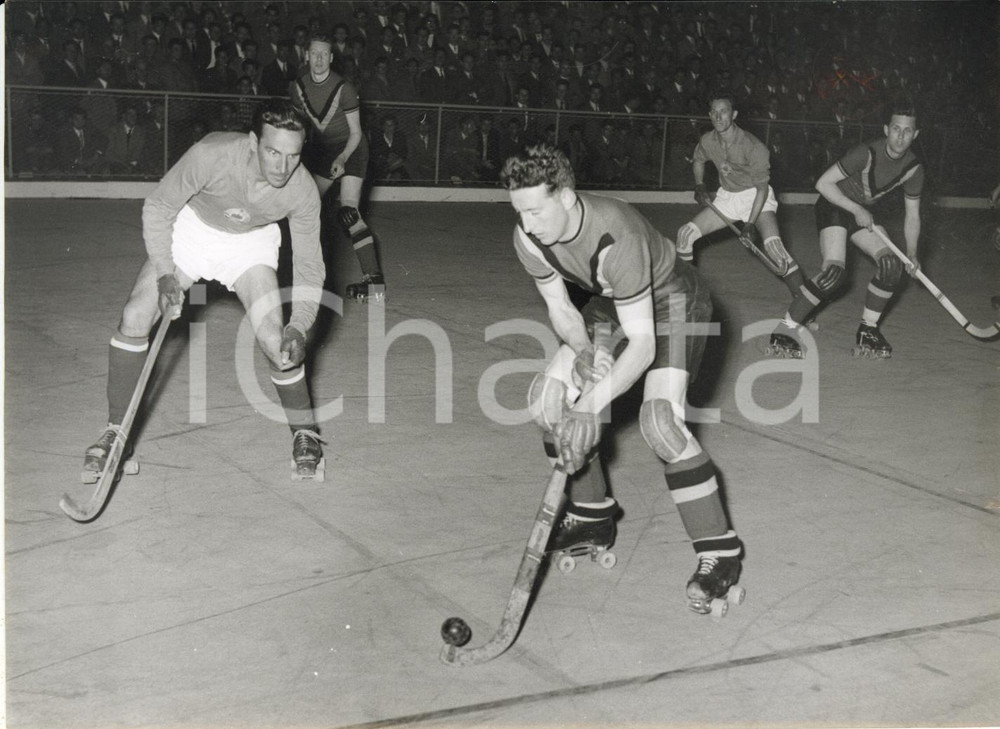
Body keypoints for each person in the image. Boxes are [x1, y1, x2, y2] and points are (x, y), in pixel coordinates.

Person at [500, 145, 745, 614]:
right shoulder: (528, 236)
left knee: (659, 423)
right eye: (519, 211)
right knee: (547, 403)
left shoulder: (618, 233)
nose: (527, 225)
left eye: (534, 211)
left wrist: (591, 406)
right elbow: (561, 310)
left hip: (675, 303)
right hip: (614, 305)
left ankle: (721, 551)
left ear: (566, 197)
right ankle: (591, 513)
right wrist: (586, 354)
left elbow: (644, 346)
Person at [79, 99, 328, 486]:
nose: (282, 167)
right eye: (272, 152)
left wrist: (300, 325)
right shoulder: (210, 155)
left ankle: (305, 432)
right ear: (252, 142)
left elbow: (310, 266)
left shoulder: (303, 191)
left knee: (277, 343)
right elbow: (159, 207)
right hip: (193, 231)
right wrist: (165, 273)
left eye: (292, 156)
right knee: (135, 316)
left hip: (250, 245)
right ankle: (117, 433)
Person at [781, 99, 925, 358]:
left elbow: (912, 216)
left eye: (907, 131)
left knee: (891, 265)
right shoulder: (866, 152)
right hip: (834, 204)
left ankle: (867, 331)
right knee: (834, 273)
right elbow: (823, 184)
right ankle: (785, 331)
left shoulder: (914, 169)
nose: (900, 136)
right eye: (895, 128)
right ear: (886, 129)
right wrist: (856, 209)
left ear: (915, 134)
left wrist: (912, 254)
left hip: (863, 212)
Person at [676, 93, 811, 357]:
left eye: (723, 112)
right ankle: (687, 302)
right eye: (713, 112)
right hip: (727, 197)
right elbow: (699, 159)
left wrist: (749, 224)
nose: (718, 118)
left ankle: (804, 304)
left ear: (734, 115)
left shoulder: (754, 146)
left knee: (776, 254)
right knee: (685, 236)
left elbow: (761, 189)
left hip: (756, 198)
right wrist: (700, 184)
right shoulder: (707, 140)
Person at [290, 34, 386, 302]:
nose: (319, 59)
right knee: (302, 207)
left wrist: (343, 158)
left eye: (325, 54)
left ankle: (374, 280)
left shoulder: (344, 88)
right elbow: (300, 129)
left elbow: (356, 133)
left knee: (348, 212)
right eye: (314, 53)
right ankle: (299, 274)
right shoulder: (297, 88)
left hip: (351, 149)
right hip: (323, 150)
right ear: (306, 55)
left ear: (332, 58)